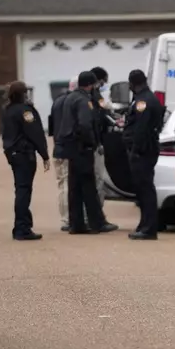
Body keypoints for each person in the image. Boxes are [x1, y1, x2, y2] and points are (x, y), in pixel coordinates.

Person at [57, 71, 118, 234]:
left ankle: (76, 224)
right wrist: (92, 142)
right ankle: (97, 223)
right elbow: (85, 125)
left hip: (71, 148)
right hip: (82, 148)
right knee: (89, 186)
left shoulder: (70, 98)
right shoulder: (85, 101)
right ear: (90, 85)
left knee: (74, 188)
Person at [1, 81, 50, 240]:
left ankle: (22, 225)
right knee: (24, 190)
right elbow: (35, 133)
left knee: (20, 188)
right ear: (24, 94)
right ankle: (22, 228)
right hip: (24, 154)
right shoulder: (25, 111)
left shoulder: (8, 110)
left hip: (13, 153)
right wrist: (44, 155)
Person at [123, 69, 165, 240]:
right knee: (142, 189)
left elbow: (141, 129)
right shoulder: (145, 98)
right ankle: (145, 224)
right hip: (145, 149)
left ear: (132, 84)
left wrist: (135, 150)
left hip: (143, 150)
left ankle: (149, 228)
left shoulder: (143, 101)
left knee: (145, 189)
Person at [52, 76, 77, 231]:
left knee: (61, 184)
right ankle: (70, 217)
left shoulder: (57, 102)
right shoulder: (75, 102)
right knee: (69, 182)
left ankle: (64, 218)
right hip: (69, 148)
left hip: (58, 147)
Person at [90, 67, 113, 206]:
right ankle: (96, 214)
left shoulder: (81, 95)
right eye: (104, 82)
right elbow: (104, 105)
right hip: (95, 144)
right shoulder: (95, 95)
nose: (104, 84)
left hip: (86, 144)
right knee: (98, 178)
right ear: (98, 81)